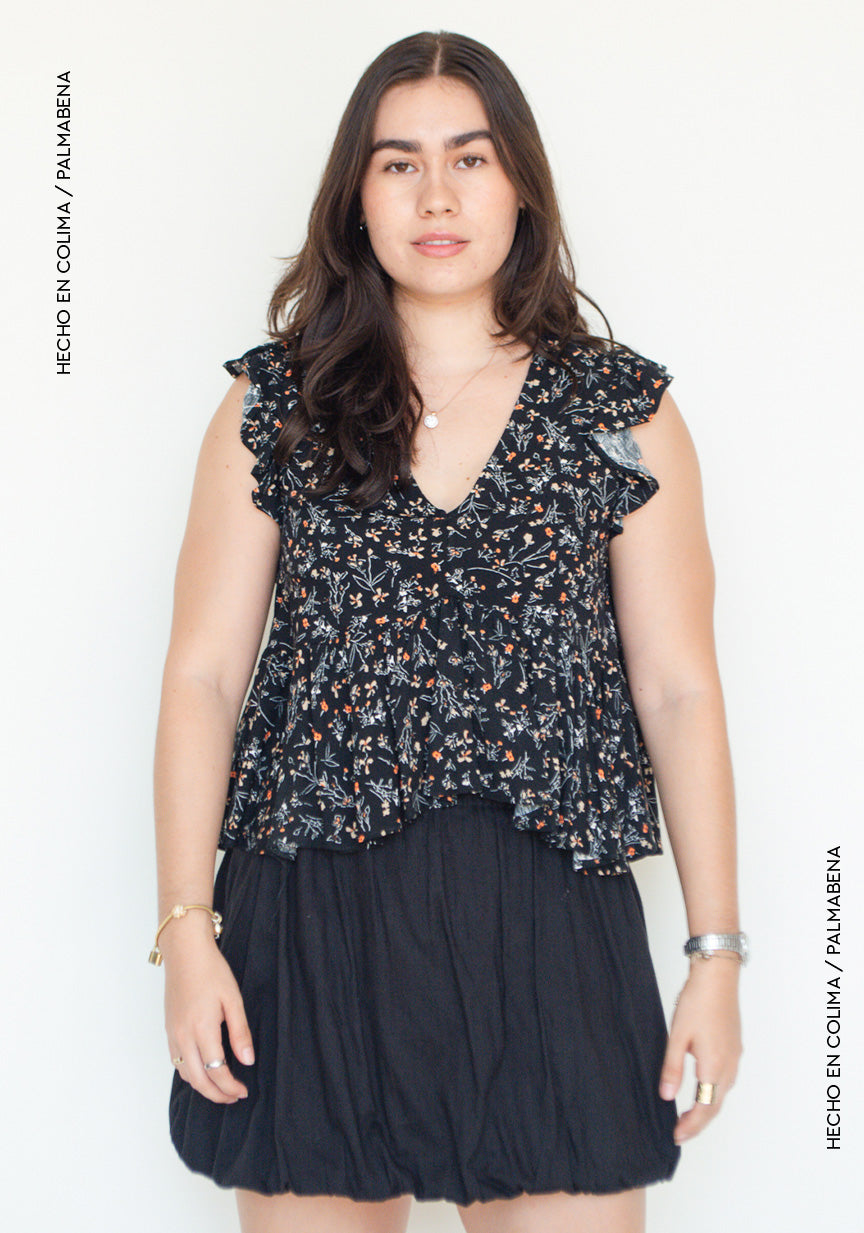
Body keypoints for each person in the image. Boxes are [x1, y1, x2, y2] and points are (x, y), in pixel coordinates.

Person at [151, 29, 745, 1233]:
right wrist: (186, 927)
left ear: (519, 184)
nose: (436, 196)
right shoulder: (276, 407)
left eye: (469, 159)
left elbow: (680, 689)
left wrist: (716, 954)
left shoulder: (620, 414)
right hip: (312, 921)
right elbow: (204, 676)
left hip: (551, 925)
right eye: (398, 163)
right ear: (355, 195)